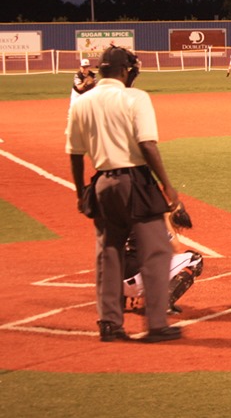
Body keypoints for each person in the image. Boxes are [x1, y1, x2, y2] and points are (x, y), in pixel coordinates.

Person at [66, 45, 184, 343]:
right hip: (135, 182)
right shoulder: (135, 98)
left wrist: (82, 193)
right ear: (123, 71)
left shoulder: (82, 101)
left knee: (109, 253)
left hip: (102, 183)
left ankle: (109, 324)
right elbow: (147, 144)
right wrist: (167, 186)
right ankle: (156, 324)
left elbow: (75, 154)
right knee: (156, 252)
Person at [122, 211, 203, 316]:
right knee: (194, 259)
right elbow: (176, 247)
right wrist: (165, 219)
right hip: (138, 284)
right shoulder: (155, 222)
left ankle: (120, 301)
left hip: (117, 285)